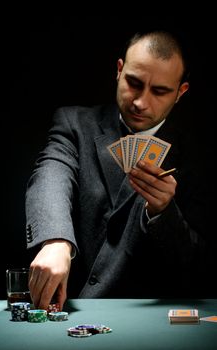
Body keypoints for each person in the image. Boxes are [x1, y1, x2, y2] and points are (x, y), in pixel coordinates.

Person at [25, 29, 214, 311]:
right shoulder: (75, 123)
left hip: (153, 320)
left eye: (160, 91)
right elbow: (51, 173)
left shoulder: (199, 155)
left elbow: (200, 266)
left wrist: (163, 213)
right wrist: (55, 240)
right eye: (134, 83)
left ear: (180, 92)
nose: (140, 102)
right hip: (70, 309)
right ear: (119, 70)